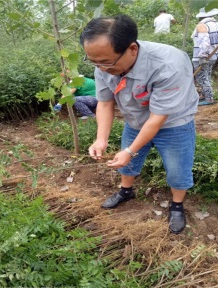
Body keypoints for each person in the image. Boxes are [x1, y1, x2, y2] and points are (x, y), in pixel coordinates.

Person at [80, 14, 199, 234]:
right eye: (93, 61)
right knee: (127, 163)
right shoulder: (102, 64)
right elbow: (105, 103)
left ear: (132, 49)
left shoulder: (169, 64)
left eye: (106, 62)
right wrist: (101, 139)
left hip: (173, 123)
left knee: (177, 169)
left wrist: (130, 150)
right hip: (135, 120)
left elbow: (157, 118)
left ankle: (177, 205)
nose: (101, 68)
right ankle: (126, 191)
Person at [191, 8, 218, 106]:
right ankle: (204, 94)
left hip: (202, 57)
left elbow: (205, 42)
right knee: (207, 76)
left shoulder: (202, 25)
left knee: (201, 78)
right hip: (213, 55)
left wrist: (202, 56)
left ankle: (209, 99)